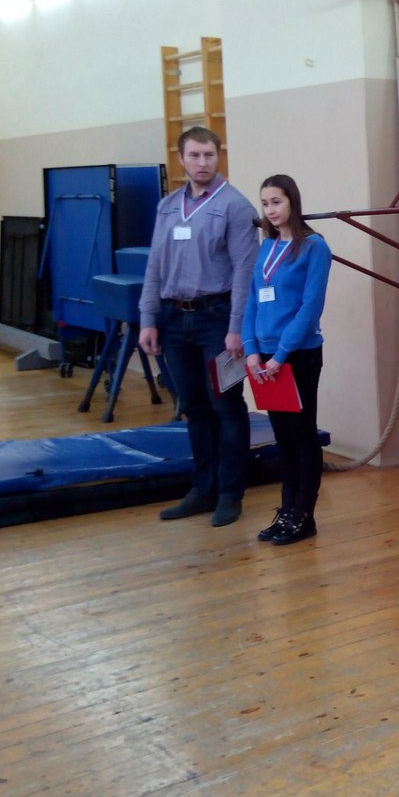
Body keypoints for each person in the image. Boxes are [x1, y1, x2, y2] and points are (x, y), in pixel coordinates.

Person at [139, 126, 258, 527]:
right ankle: (202, 489)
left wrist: (237, 327)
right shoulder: (168, 206)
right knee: (193, 406)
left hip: (219, 320)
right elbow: (155, 265)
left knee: (226, 405)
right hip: (174, 320)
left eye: (209, 155)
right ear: (181, 159)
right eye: (194, 155)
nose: (202, 163)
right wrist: (148, 318)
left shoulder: (235, 206)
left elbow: (245, 271)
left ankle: (230, 494)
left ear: (218, 156)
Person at [243, 174, 333, 545]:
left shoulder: (314, 247)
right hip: (265, 357)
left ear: (292, 202)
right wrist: (251, 349)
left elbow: (310, 308)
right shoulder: (266, 247)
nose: (270, 210)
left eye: (277, 202)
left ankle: (304, 515)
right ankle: (286, 511)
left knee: (302, 435)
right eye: (265, 203)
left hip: (298, 355)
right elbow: (252, 300)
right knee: (282, 437)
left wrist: (280, 356)